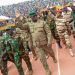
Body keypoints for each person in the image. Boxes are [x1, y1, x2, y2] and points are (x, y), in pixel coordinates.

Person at [28, 9, 57, 75]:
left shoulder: (43, 22)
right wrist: (18, 18)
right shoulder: (29, 25)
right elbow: (21, 27)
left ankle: (53, 57)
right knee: (42, 59)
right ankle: (47, 70)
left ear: (36, 16)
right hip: (37, 45)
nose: (33, 18)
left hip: (45, 43)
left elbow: (48, 32)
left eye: (34, 16)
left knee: (51, 52)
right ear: (30, 18)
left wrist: (49, 41)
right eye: (32, 17)